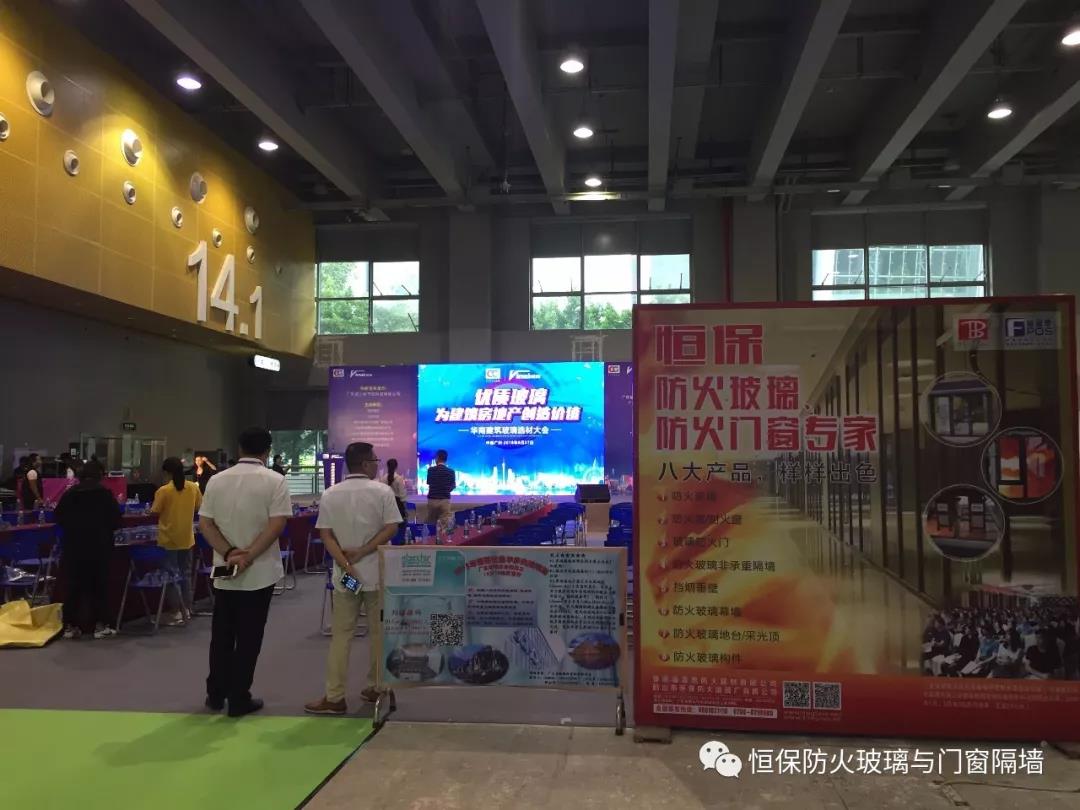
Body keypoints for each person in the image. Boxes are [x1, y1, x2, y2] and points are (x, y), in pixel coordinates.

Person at [198, 428, 292, 718]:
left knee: (221, 635)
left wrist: (229, 553)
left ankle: (215, 694)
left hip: (225, 569)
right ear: (267, 450)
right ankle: (239, 696)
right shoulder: (275, 480)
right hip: (259, 571)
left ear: (239, 448)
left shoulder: (217, 480)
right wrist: (249, 555)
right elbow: (277, 525)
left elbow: (206, 524)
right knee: (249, 637)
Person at [305, 442, 401, 714]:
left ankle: (334, 696)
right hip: (377, 572)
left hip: (346, 575)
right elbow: (391, 528)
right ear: (366, 463)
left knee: (341, 636)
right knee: (379, 633)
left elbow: (326, 535)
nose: (377, 464)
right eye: (375, 460)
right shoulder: (382, 491)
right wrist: (363, 551)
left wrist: (346, 562)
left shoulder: (330, 494)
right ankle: (378, 687)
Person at [55, 461, 122, 639]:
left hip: (74, 547)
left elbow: (59, 517)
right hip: (100, 547)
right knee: (99, 587)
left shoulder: (70, 493)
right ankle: (101, 625)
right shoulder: (105, 494)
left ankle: (70, 626)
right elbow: (116, 520)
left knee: (73, 587)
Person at [150, 457, 202, 626]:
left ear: (167, 473)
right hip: (187, 538)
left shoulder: (164, 490)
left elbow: (154, 511)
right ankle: (187, 609)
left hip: (168, 539)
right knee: (185, 574)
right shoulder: (193, 487)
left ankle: (175, 612)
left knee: (171, 576)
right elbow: (199, 507)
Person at [425, 449, 455, 525]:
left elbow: (429, 483)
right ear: (446, 459)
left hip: (432, 500)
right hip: (445, 500)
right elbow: (453, 486)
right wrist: (446, 490)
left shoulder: (430, 470)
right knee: (444, 525)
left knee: (431, 524)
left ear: (437, 458)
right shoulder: (451, 472)